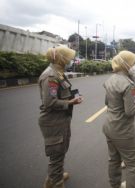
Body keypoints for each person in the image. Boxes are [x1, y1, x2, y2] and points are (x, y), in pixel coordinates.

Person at [38, 45, 83, 188]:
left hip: (61, 119)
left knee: (61, 150)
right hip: (53, 121)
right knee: (56, 153)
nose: (70, 60)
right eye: (68, 57)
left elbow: (60, 95)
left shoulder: (58, 73)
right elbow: (49, 102)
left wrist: (71, 100)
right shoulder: (50, 76)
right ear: (60, 58)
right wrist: (70, 102)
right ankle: (56, 182)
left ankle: (53, 176)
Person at [102, 51, 135, 188]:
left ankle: (114, 185)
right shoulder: (129, 84)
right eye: (133, 63)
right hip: (123, 130)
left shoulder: (110, 79)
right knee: (133, 163)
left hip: (109, 126)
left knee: (114, 160)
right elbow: (130, 111)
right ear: (125, 64)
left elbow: (107, 103)